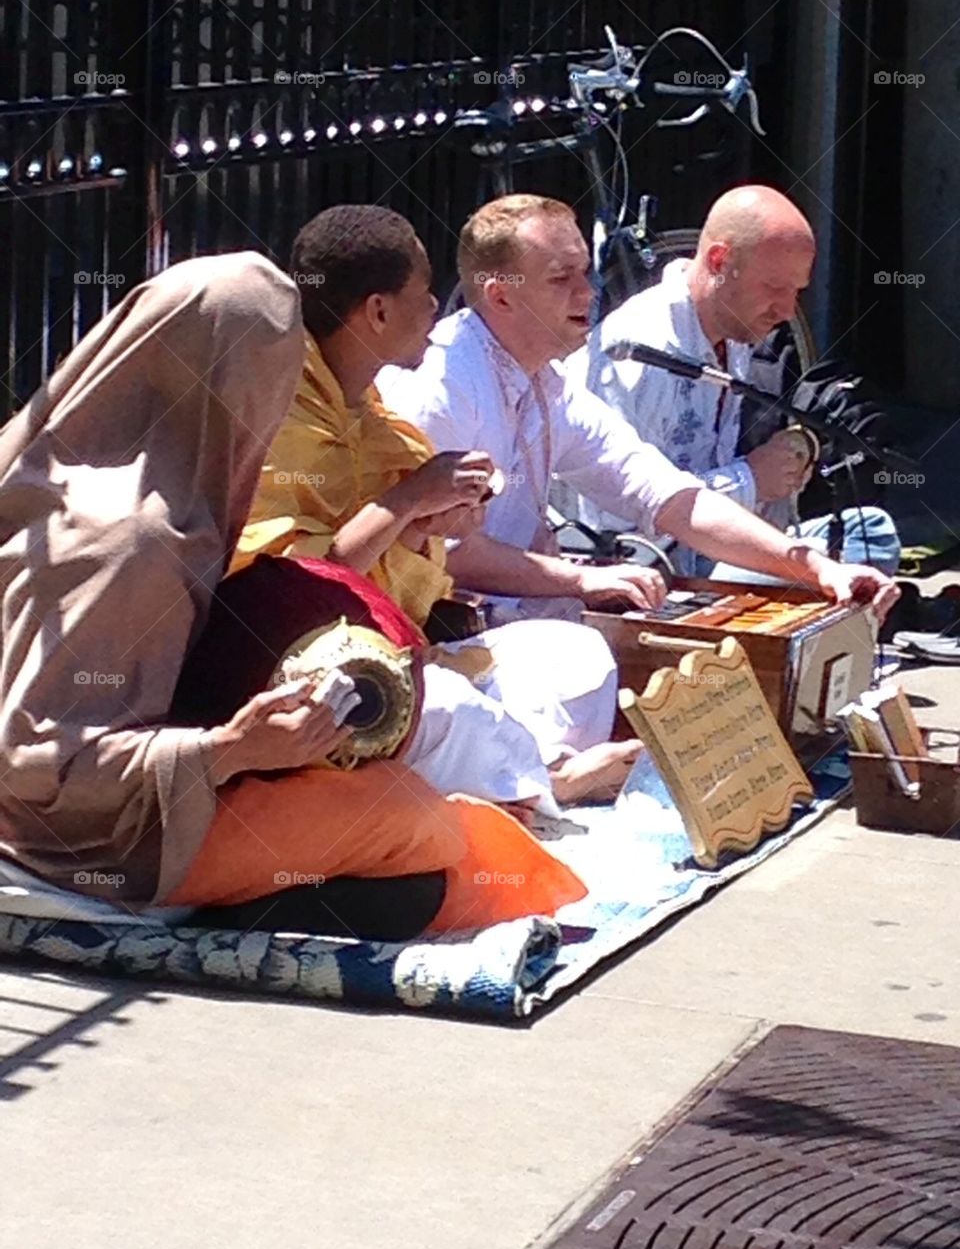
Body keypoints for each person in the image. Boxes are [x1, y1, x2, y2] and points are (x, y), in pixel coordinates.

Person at [0, 251, 586, 939]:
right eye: (275, 376)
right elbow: (39, 768)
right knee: (420, 830)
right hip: (78, 843)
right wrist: (231, 749)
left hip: (145, 783)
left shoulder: (60, 466)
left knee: (407, 798)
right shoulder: (132, 539)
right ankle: (204, 916)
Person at [236, 205, 642, 811]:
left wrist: (428, 522)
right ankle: (544, 783)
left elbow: (395, 570)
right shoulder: (283, 420)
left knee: (572, 652)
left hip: (404, 651)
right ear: (377, 311)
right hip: (311, 680)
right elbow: (299, 593)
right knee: (452, 712)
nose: (436, 309)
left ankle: (519, 778)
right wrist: (405, 501)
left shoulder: (370, 408)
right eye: (423, 295)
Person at [376, 193, 899, 623]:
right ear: (502, 296)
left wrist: (815, 569)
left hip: (541, 607)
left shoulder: (546, 382)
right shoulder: (442, 386)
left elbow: (661, 491)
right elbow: (445, 552)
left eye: (585, 272)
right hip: (451, 629)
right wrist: (582, 579)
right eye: (562, 279)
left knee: (862, 541)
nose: (589, 292)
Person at [564, 184, 902, 580]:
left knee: (870, 532)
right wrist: (751, 479)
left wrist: (791, 458)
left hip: (715, 548)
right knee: (849, 562)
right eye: (775, 288)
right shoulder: (636, 353)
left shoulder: (735, 332)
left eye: (797, 292)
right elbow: (613, 525)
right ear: (719, 261)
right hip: (651, 573)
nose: (786, 310)